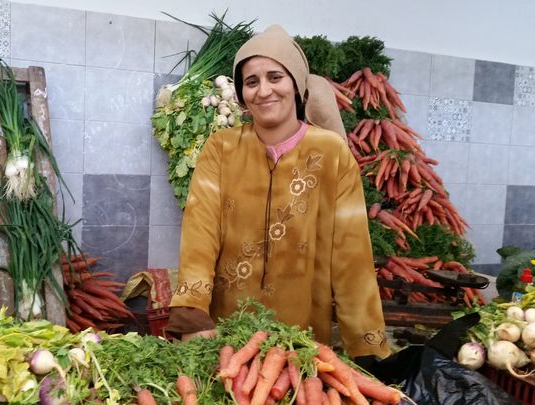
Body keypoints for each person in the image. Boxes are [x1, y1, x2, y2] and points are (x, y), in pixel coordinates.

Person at [166, 24, 390, 359]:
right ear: (241, 94)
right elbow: (200, 231)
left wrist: (368, 351)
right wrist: (192, 316)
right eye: (251, 82)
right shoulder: (222, 147)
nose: (263, 90)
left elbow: (352, 256)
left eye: (275, 77)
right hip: (224, 334)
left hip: (299, 339)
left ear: (297, 85)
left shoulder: (332, 153)